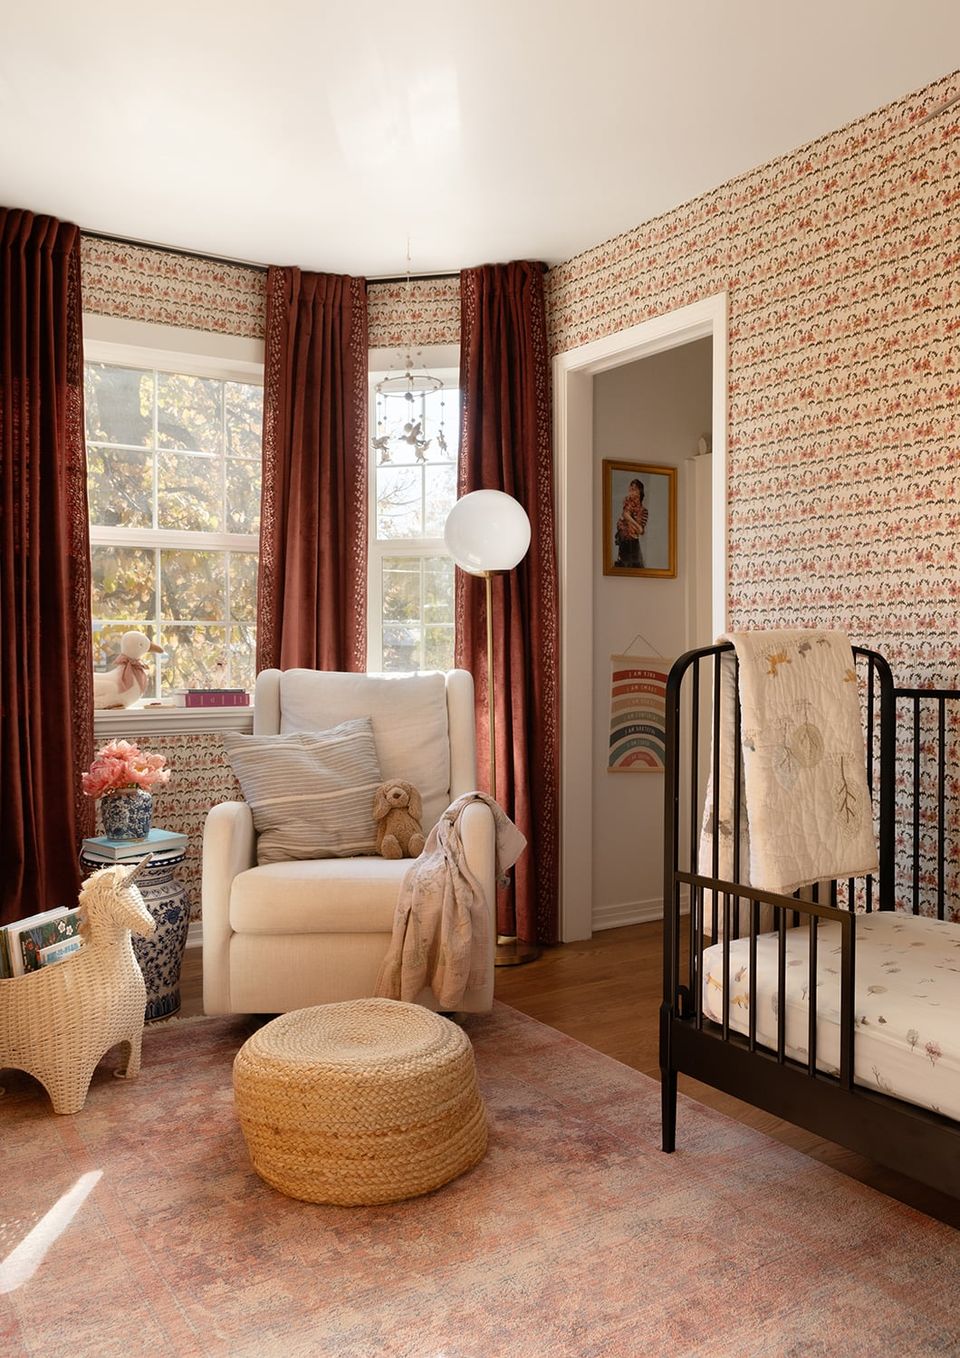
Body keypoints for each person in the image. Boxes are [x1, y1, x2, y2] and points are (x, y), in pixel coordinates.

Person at [614, 478, 648, 567]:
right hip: (625, 541)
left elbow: (640, 531)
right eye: (630, 489)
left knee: (636, 567)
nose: (631, 492)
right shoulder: (627, 504)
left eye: (634, 489)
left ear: (640, 492)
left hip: (633, 543)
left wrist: (637, 527)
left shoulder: (643, 510)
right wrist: (637, 526)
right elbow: (625, 515)